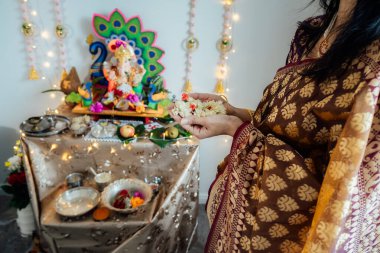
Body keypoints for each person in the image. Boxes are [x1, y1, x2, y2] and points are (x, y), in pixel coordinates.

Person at [170, 0, 380, 252]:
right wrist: (235, 114)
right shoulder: (314, 31)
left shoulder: (374, 66)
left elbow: (341, 199)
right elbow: (288, 127)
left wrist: (236, 130)